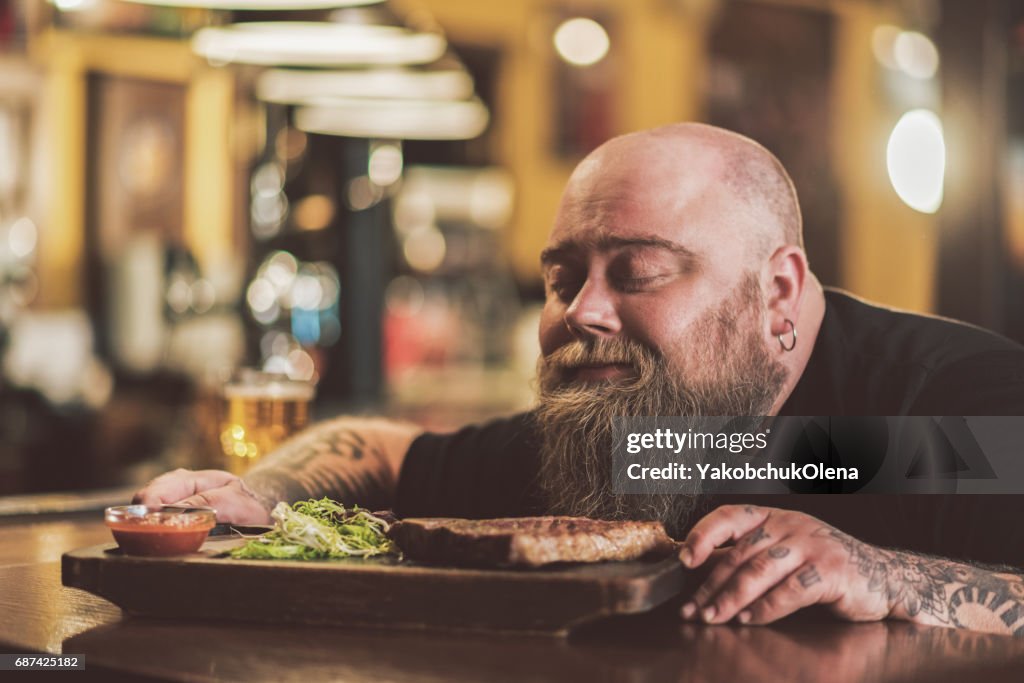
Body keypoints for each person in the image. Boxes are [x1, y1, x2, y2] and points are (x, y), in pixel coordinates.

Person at [136, 123, 1024, 636]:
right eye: (561, 278)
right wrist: (261, 490)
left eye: (637, 272)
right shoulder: (650, 433)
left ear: (779, 291)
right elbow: (381, 449)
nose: (582, 311)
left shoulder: (951, 414)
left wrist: (892, 577)